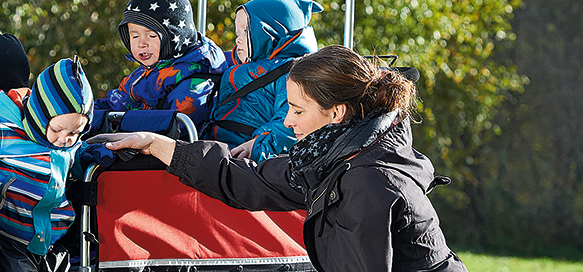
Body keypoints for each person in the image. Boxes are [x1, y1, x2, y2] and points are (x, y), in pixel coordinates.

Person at [90, 45, 467, 272]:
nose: (287, 121)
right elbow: (247, 180)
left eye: (298, 111)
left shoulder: (367, 180)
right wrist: (158, 145)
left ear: (336, 112)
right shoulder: (332, 154)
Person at [0, 58, 112, 272]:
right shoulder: (4, 132)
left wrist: (88, 156)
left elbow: (74, 156)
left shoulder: (66, 144)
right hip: (11, 237)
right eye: (58, 129)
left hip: (50, 241)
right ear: (41, 116)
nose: (64, 138)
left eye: (74, 132)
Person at [204, 0, 321, 162]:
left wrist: (258, 145)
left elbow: (289, 120)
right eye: (237, 33)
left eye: (246, 31)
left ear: (272, 31)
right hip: (218, 146)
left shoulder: (292, 73)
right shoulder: (242, 65)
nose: (238, 40)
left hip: (246, 155)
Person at [94, 0, 227, 129]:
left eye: (151, 35)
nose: (142, 43)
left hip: (164, 147)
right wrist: (85, 114)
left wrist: (118, 122)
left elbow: (175, 126)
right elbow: (117, 102)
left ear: (175, 36)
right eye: (134, 36)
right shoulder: (147, 72)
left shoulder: (196, 79)